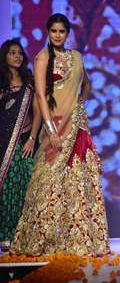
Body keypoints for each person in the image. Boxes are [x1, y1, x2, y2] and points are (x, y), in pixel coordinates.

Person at [10, 13, 110, 256]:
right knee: (49, 181)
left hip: (76, 125)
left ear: (67, 33)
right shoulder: (42, 58)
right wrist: (51, 130)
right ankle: (44, 238)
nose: (57, 35)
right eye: (53, 31)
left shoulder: (76, 57)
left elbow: (86, 84)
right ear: (48, 32)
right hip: (54, 124)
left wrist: (78, 107)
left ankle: (81, 238)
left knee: (79, 177)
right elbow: (41, 96)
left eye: (62, 31)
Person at [0, 39, 41, 251]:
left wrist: (33, 138)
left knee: (23, 183)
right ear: (4, 56)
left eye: (19, 53)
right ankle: (5, 233)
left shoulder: (29, 83)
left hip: (24, 140)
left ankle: (22, 234)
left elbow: (38, 112)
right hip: (3, 142)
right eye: (12, 53)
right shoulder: (1, 83)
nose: (17, 56)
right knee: (6, 186)